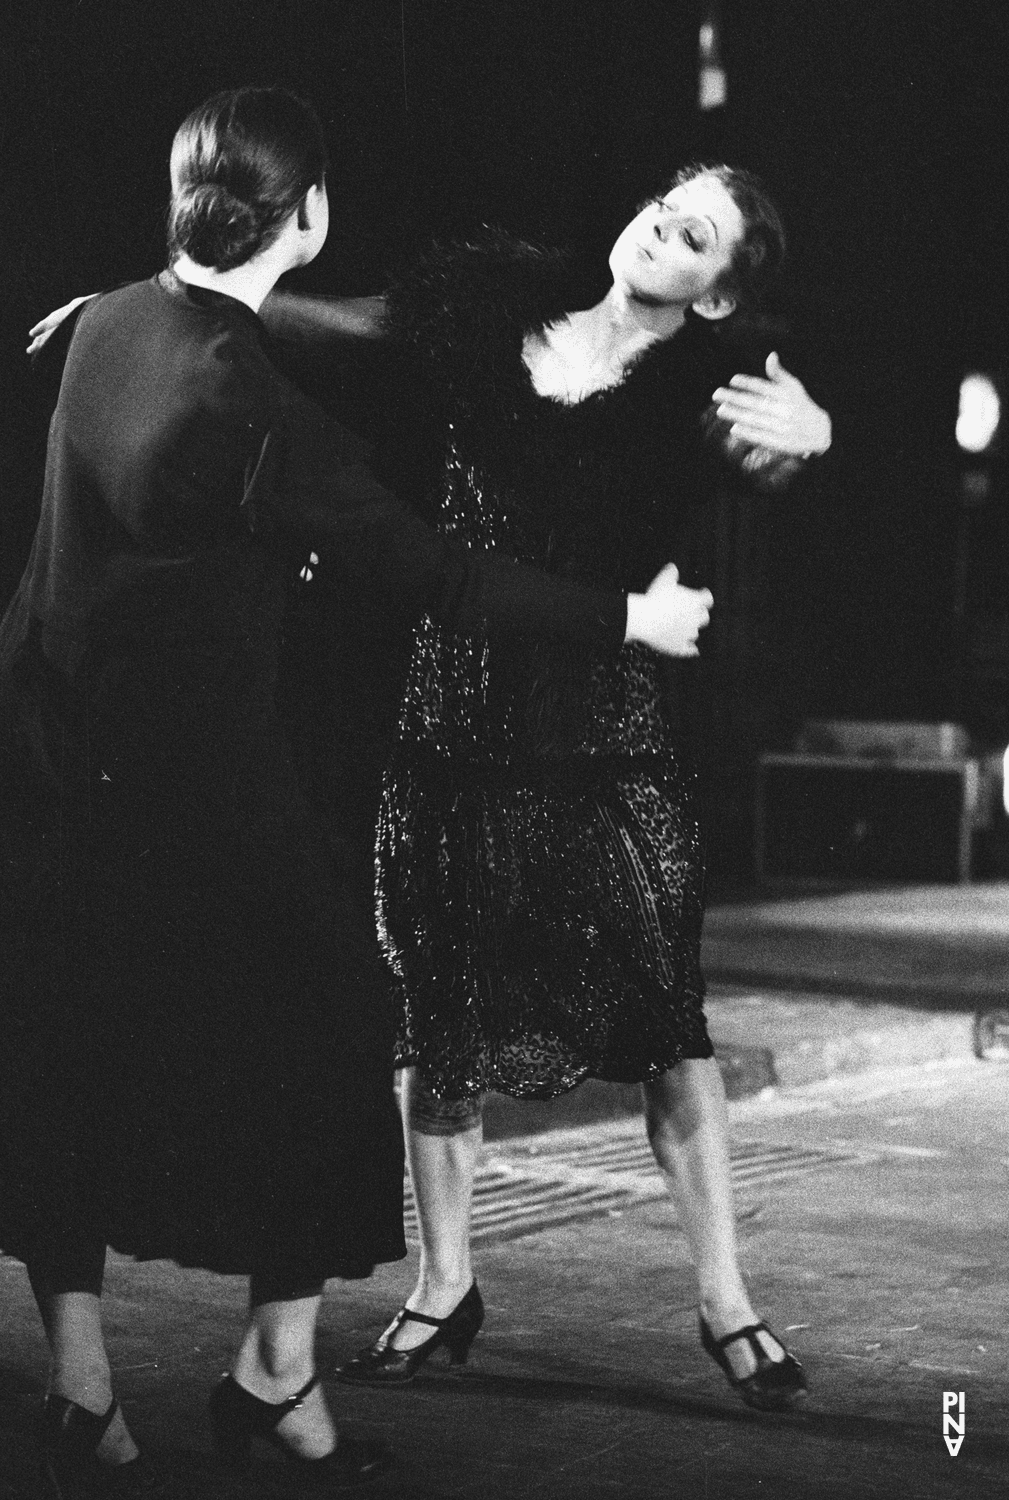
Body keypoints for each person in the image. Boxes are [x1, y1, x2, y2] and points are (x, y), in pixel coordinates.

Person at [3, 90, 715, 1497]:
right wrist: (629, 619)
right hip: (195, 787)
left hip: (49, 756)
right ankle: (273, 1377)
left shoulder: (101, 327)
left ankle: (82, 1386)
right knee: (344, 1026)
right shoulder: (258, 408)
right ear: (311, 217)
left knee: (69, 1050)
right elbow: (442, 574)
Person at [252, 165, 831, 1411]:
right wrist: (183, 302)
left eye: (691, 237)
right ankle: (442, 1282)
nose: (655, 231)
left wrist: (815, 437)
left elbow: (771, 454)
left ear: (717, 294)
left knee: (667, 1025)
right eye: (662, 206)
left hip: (607, 731)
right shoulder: (487, 309)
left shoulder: (697, 391)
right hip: (448, 713)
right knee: (437, 1010)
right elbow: (338, 321)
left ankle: (725, 1296)